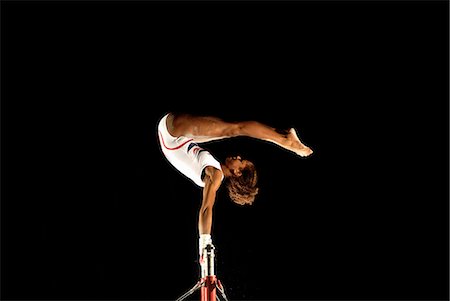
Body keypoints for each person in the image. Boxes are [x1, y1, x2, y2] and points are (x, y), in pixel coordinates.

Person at [156, 112, 313, 266]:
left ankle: (286, 141)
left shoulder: (216, 175)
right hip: (176, 138)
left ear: (237, 173)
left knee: (236, 129)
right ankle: (285, 139)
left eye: (241, 161)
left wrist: (204, 242)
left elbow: (206, 208)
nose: (238, 157)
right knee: (230, 130)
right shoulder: (216, 169)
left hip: (173, 133)